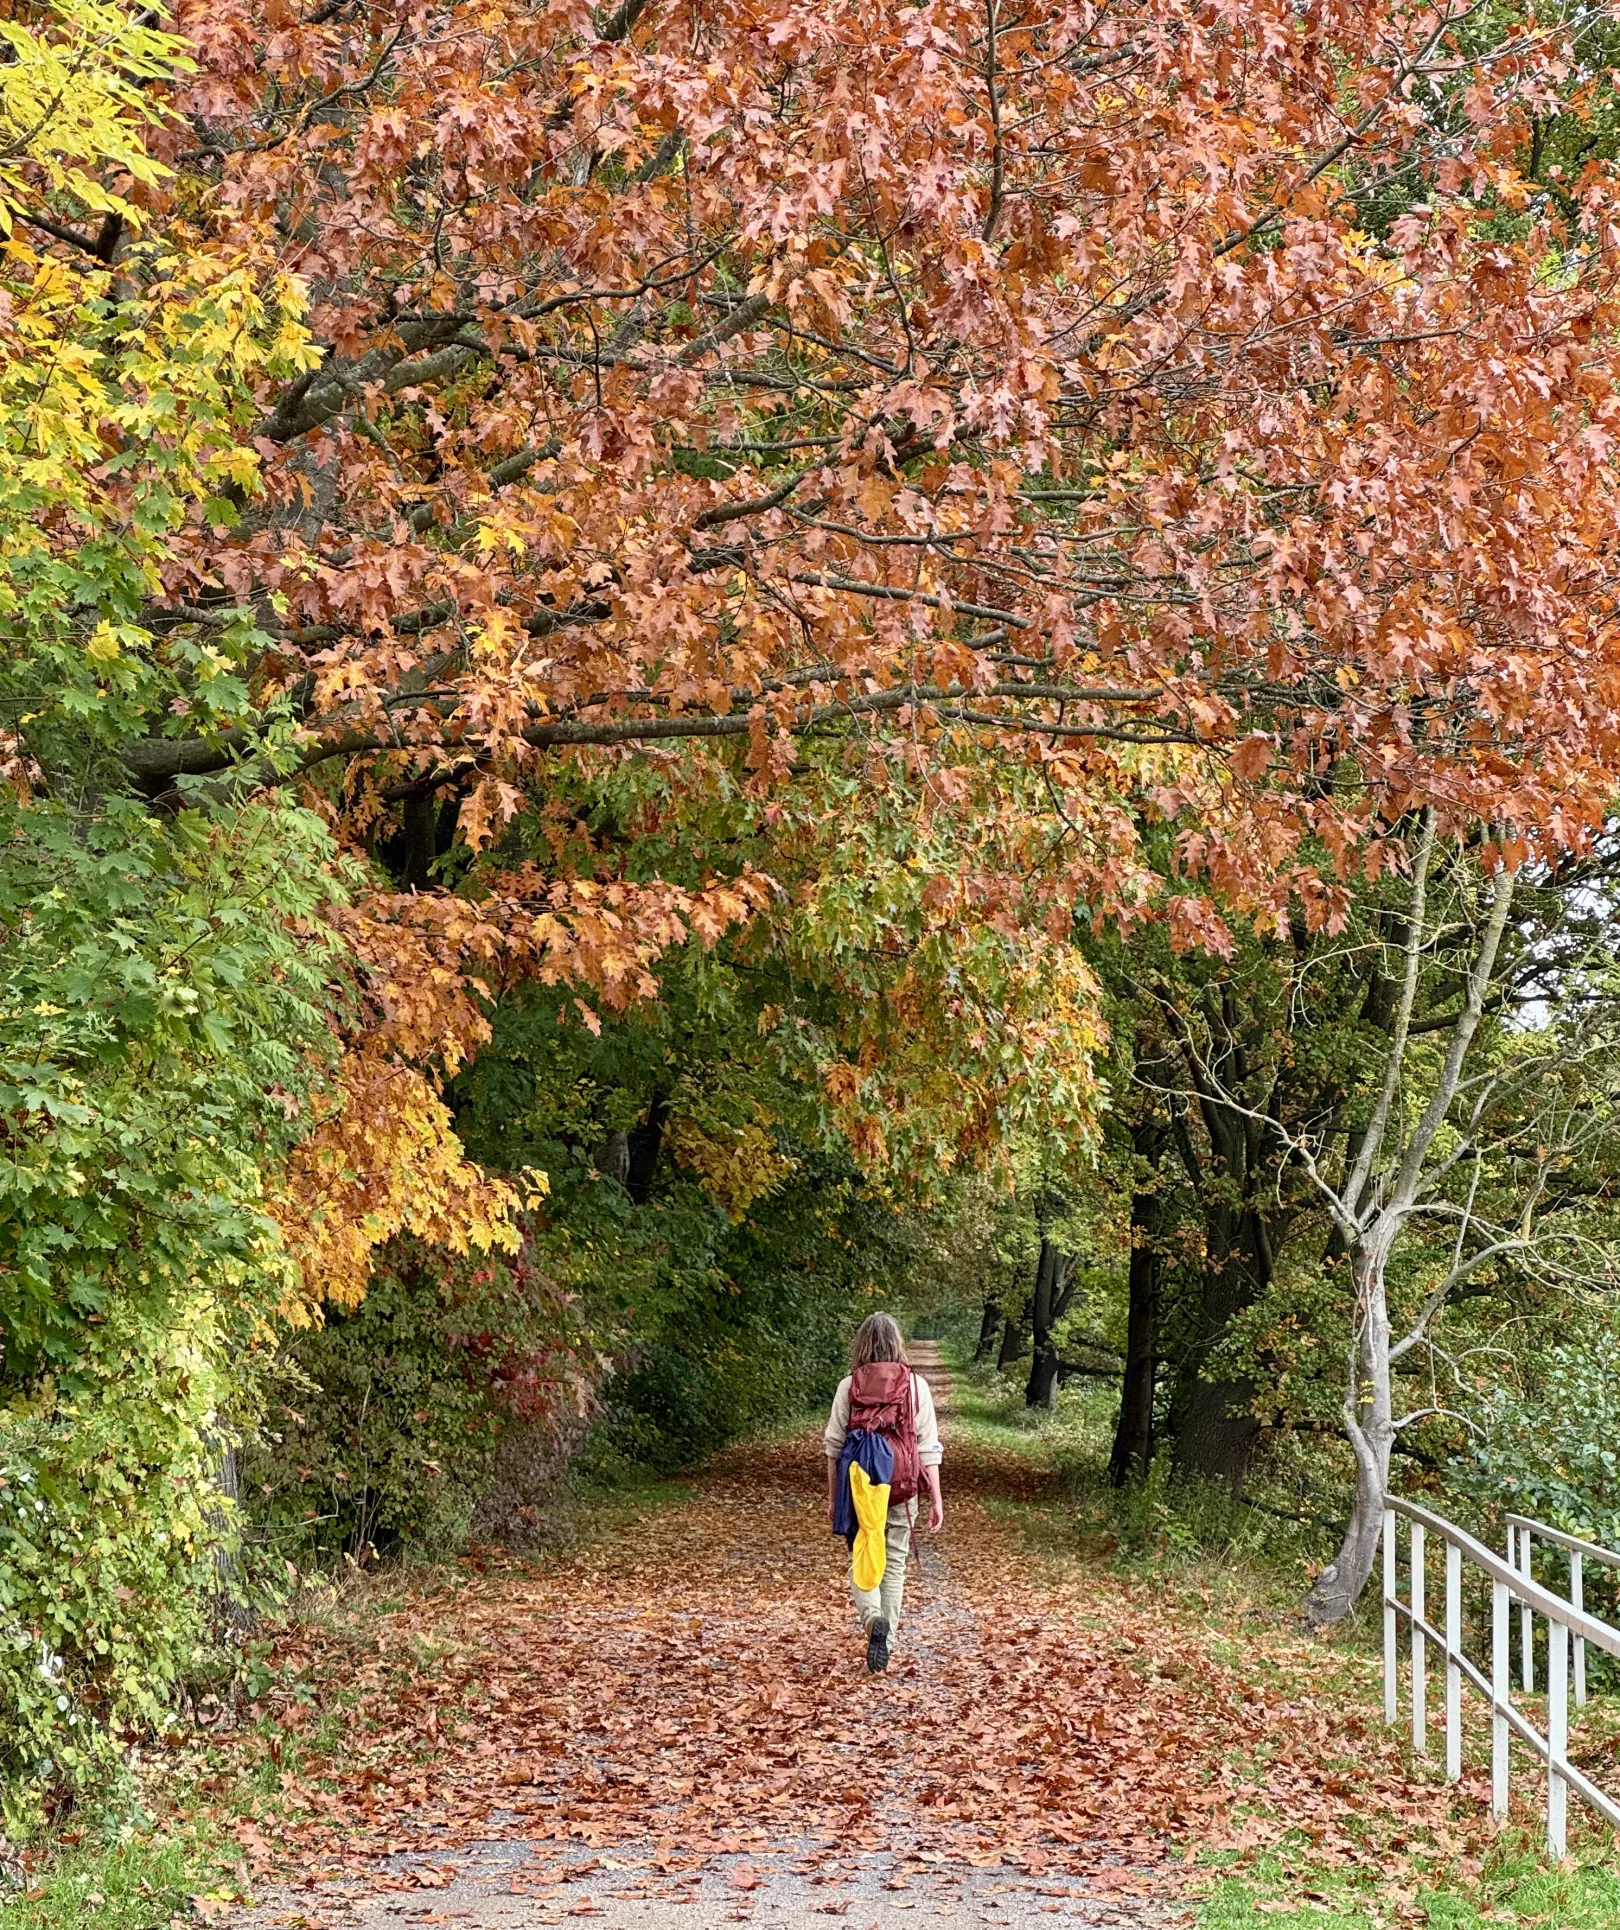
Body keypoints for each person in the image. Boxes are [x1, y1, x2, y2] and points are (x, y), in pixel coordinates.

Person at [823, 1313, 944, 1672]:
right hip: (901, 1485)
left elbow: (833, 1446)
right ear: (898, 1342)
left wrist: (834, 1499)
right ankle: (886, 1642)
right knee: (894, 1564)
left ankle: (872, 1618)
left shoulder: (849, 1386)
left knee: (862, 1554)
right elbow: (928, 1448)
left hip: (860, 1485)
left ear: (861, 1343)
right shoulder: (916, 1386)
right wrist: (936, 1497)